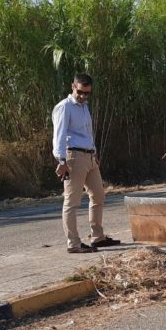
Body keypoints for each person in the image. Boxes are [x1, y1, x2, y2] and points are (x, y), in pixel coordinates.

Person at [52, 74, 120, 254]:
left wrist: (94, 153)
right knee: (72, 202)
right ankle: (73, 243)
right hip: (73, 156)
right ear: (72, 86)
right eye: (80, 92)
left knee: (98, 195)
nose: (83, 96)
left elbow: (88, 133)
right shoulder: (64, 107)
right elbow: (58, 136)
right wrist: (61, 160)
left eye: (87, 93)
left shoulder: (84, 107)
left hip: (89, 157)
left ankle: (98, 237)